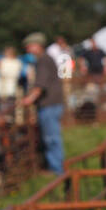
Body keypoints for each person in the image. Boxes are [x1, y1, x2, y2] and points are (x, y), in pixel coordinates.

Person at [22, 32, 65, 174]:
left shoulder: (43, 60)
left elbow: (40, 85)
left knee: (51, 138)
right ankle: (56, 167)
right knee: (51, 137)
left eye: (29, 46)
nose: (27, 49)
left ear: (37, 46)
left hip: (49, 105)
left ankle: (57, 170)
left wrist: (29, 99)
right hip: (52, 104)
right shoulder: (45, 59)